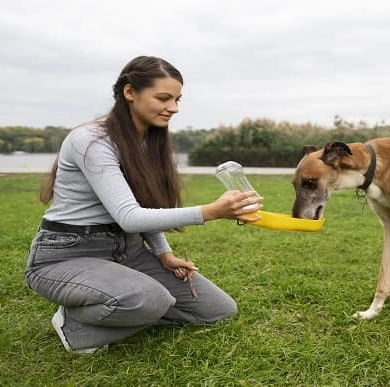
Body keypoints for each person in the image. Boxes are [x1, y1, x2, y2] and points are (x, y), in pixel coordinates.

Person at [24, 55, 263, 354]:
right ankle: (74, 322)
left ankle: (115, 296)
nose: (173, 108)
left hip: (129, 251)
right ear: (129, 92)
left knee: (218, 310)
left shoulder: (149, 142)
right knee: (152, 300)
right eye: (163, 98)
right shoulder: (91, 140)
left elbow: (145, 205)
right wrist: (212, 211)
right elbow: (130, 217)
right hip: (67, 254)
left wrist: (164, 253)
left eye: (177, 99)